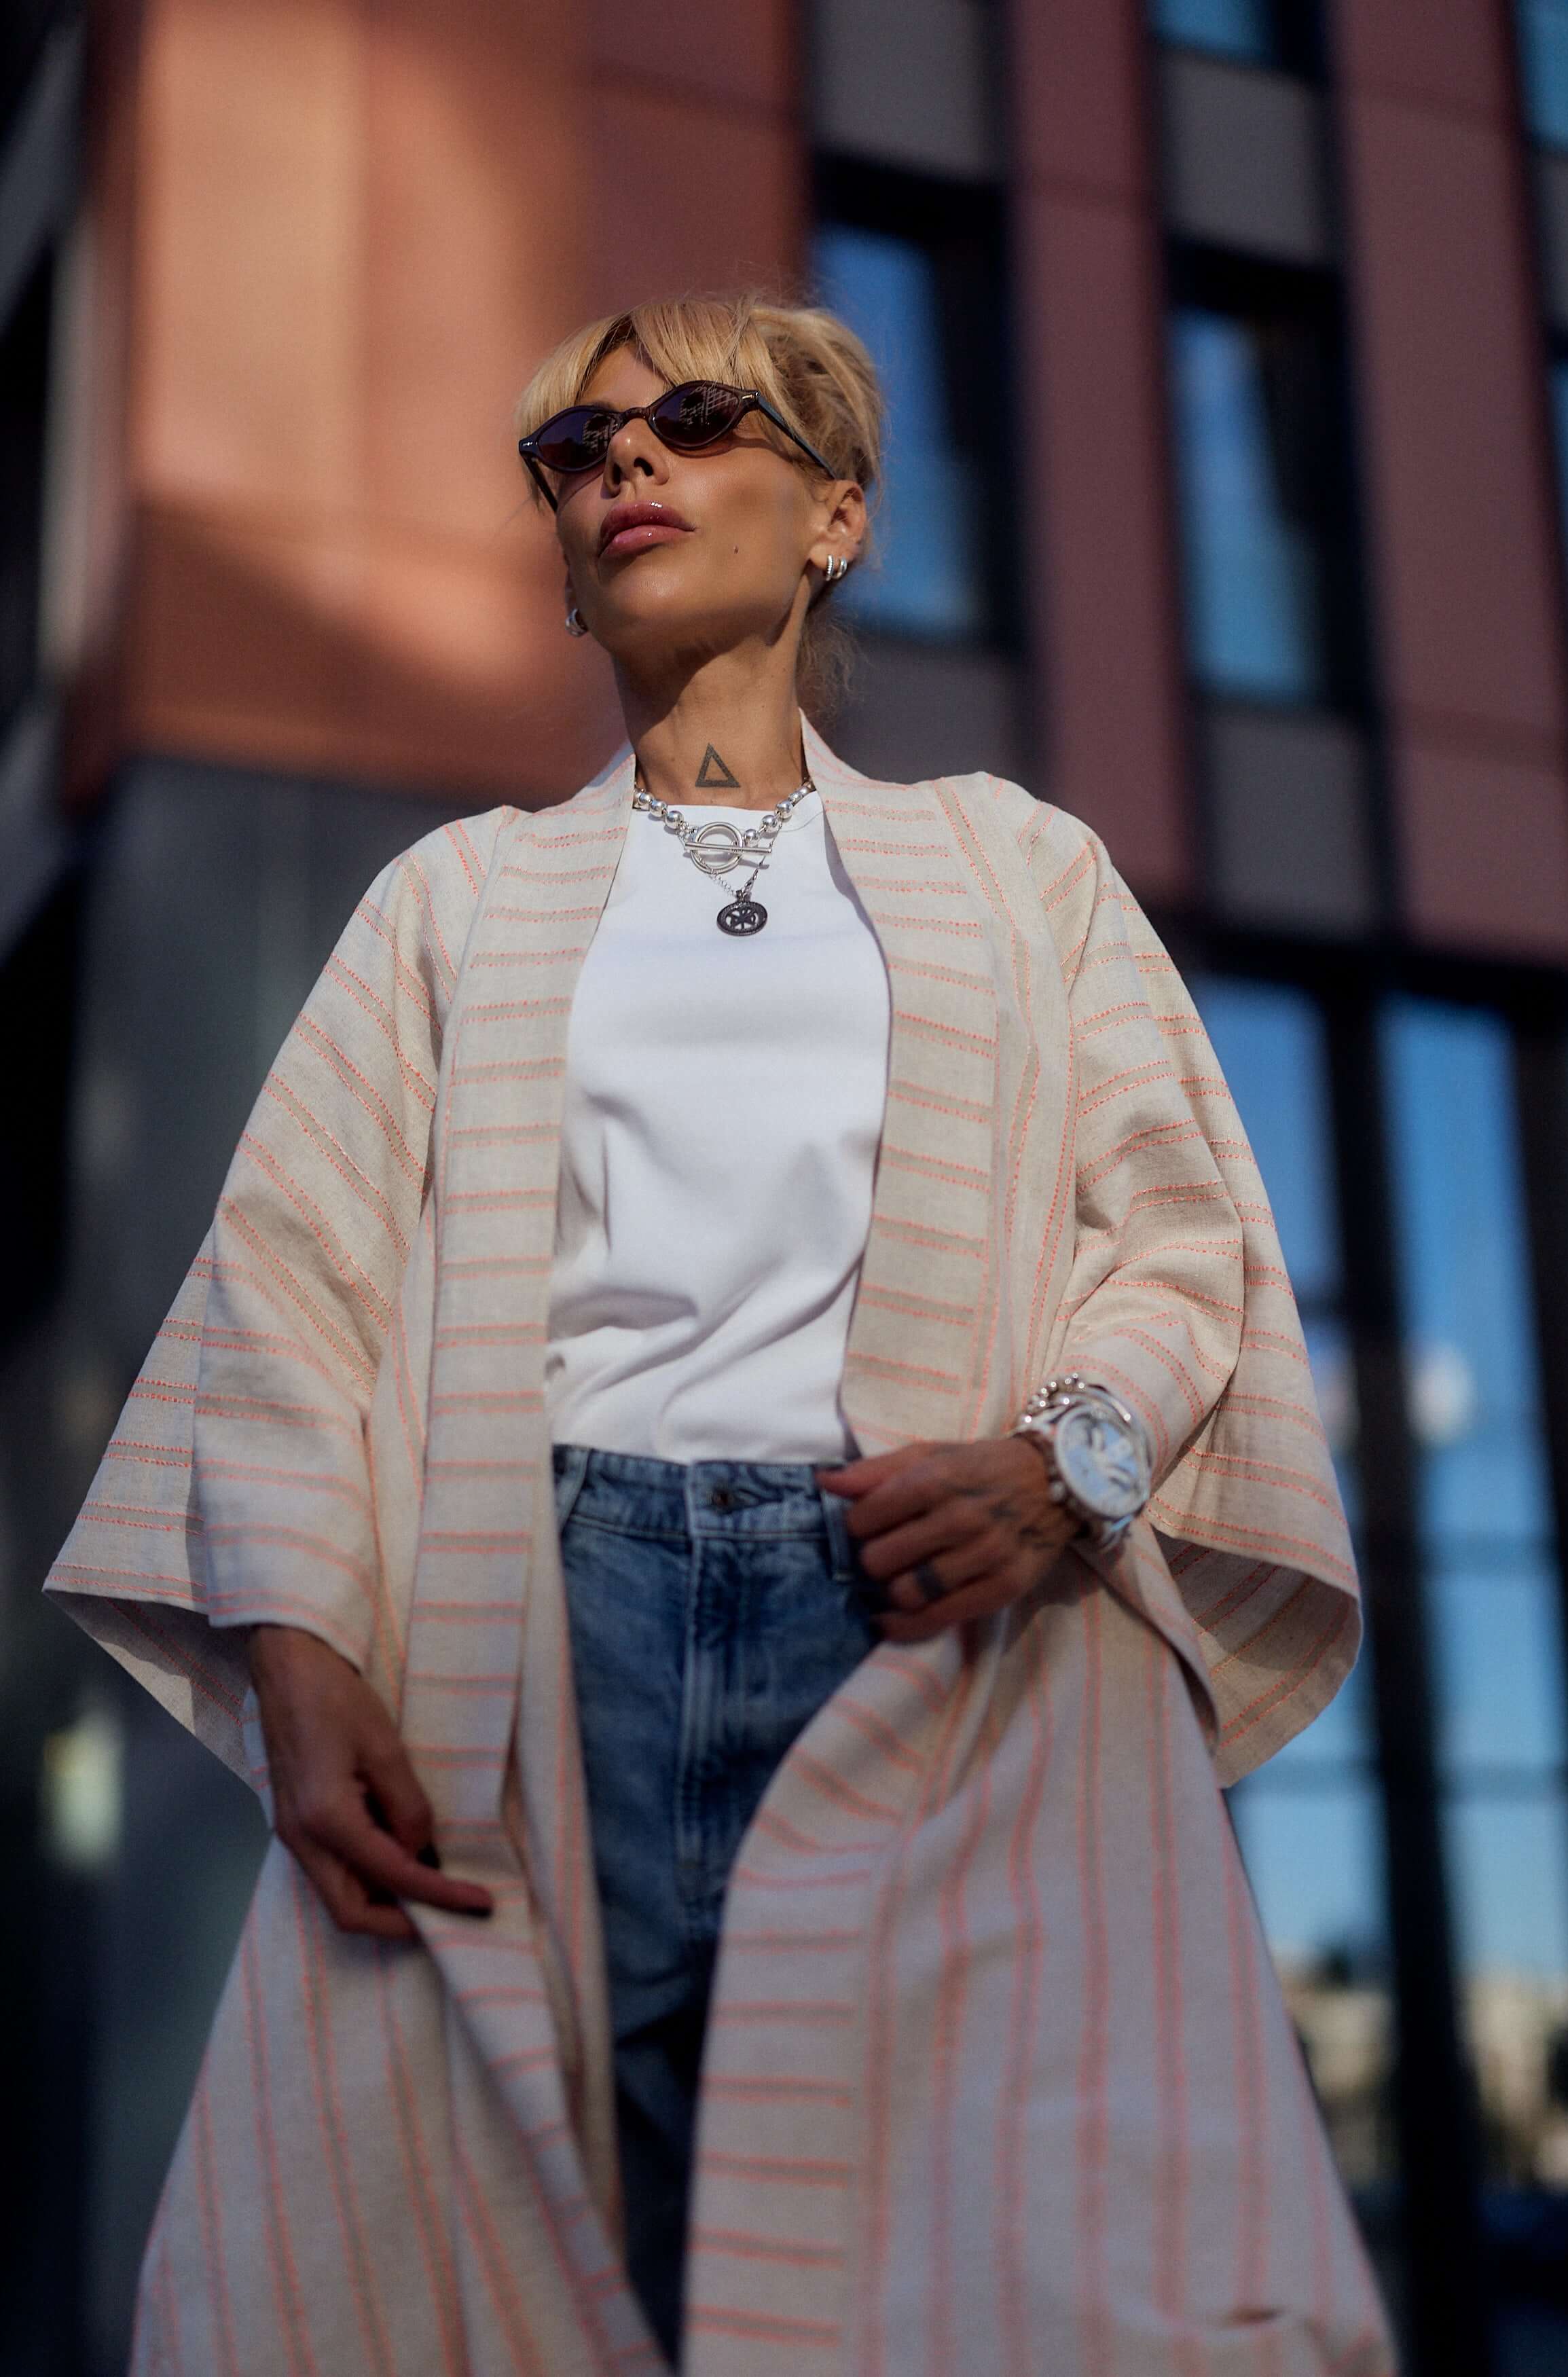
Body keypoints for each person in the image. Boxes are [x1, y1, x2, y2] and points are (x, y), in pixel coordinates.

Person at [47, 291, 1396, 2375]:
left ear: (839, 512)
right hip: (535, 1648)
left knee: (1011, 2266)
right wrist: (300, 1660)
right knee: (526, 2270)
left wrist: (1068, 1468)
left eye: (689, 420)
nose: (625, 472)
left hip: (945, 1629)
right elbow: (293, 1289)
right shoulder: (453, 902)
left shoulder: (1020, 870)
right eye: (575, 456)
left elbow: (1180, 1238)